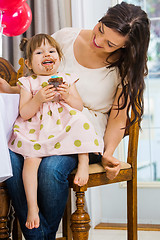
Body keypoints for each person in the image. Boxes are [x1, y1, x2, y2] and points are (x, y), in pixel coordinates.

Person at [0, 2, 150, 239]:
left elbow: (119, 116)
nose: (99, 42)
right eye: (100, 29)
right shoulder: (66, 37)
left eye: (111, 44)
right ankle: (39, 232)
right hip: (41, 128)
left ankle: (38, 237)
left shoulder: (125, 67)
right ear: (102, 19)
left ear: (127, 46)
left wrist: (109, 151)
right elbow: (39, 82)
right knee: (10, 157)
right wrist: (12, 89)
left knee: (50, 170)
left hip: (82, 135)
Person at [8, 34, 103, 230]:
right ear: (29, 63)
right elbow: (24, 113)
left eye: (52, 51)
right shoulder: (28, 82)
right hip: (37, 130)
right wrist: (37, 99)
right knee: (30, 163)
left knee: (80, 121)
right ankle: (32, 207)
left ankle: (84, 161)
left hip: (62, 128)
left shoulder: (67, 79)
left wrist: (67, 95)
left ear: (59, 58)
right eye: (40, 52)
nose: (47, 54)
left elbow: (78, 106)